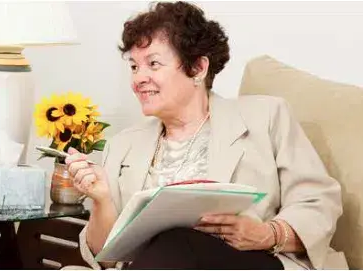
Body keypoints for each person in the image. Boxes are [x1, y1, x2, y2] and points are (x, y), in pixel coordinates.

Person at [65, 1, 345, 269]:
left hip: (249, 262)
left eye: (153, 64)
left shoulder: (267, 116)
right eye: (134, 66)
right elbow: (106, 259)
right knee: (169, 247)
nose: (138, 78)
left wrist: (267, 234)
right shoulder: (123, 144)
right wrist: (101, 199)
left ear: (198, 68)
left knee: (178, 242)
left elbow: (318, 202)